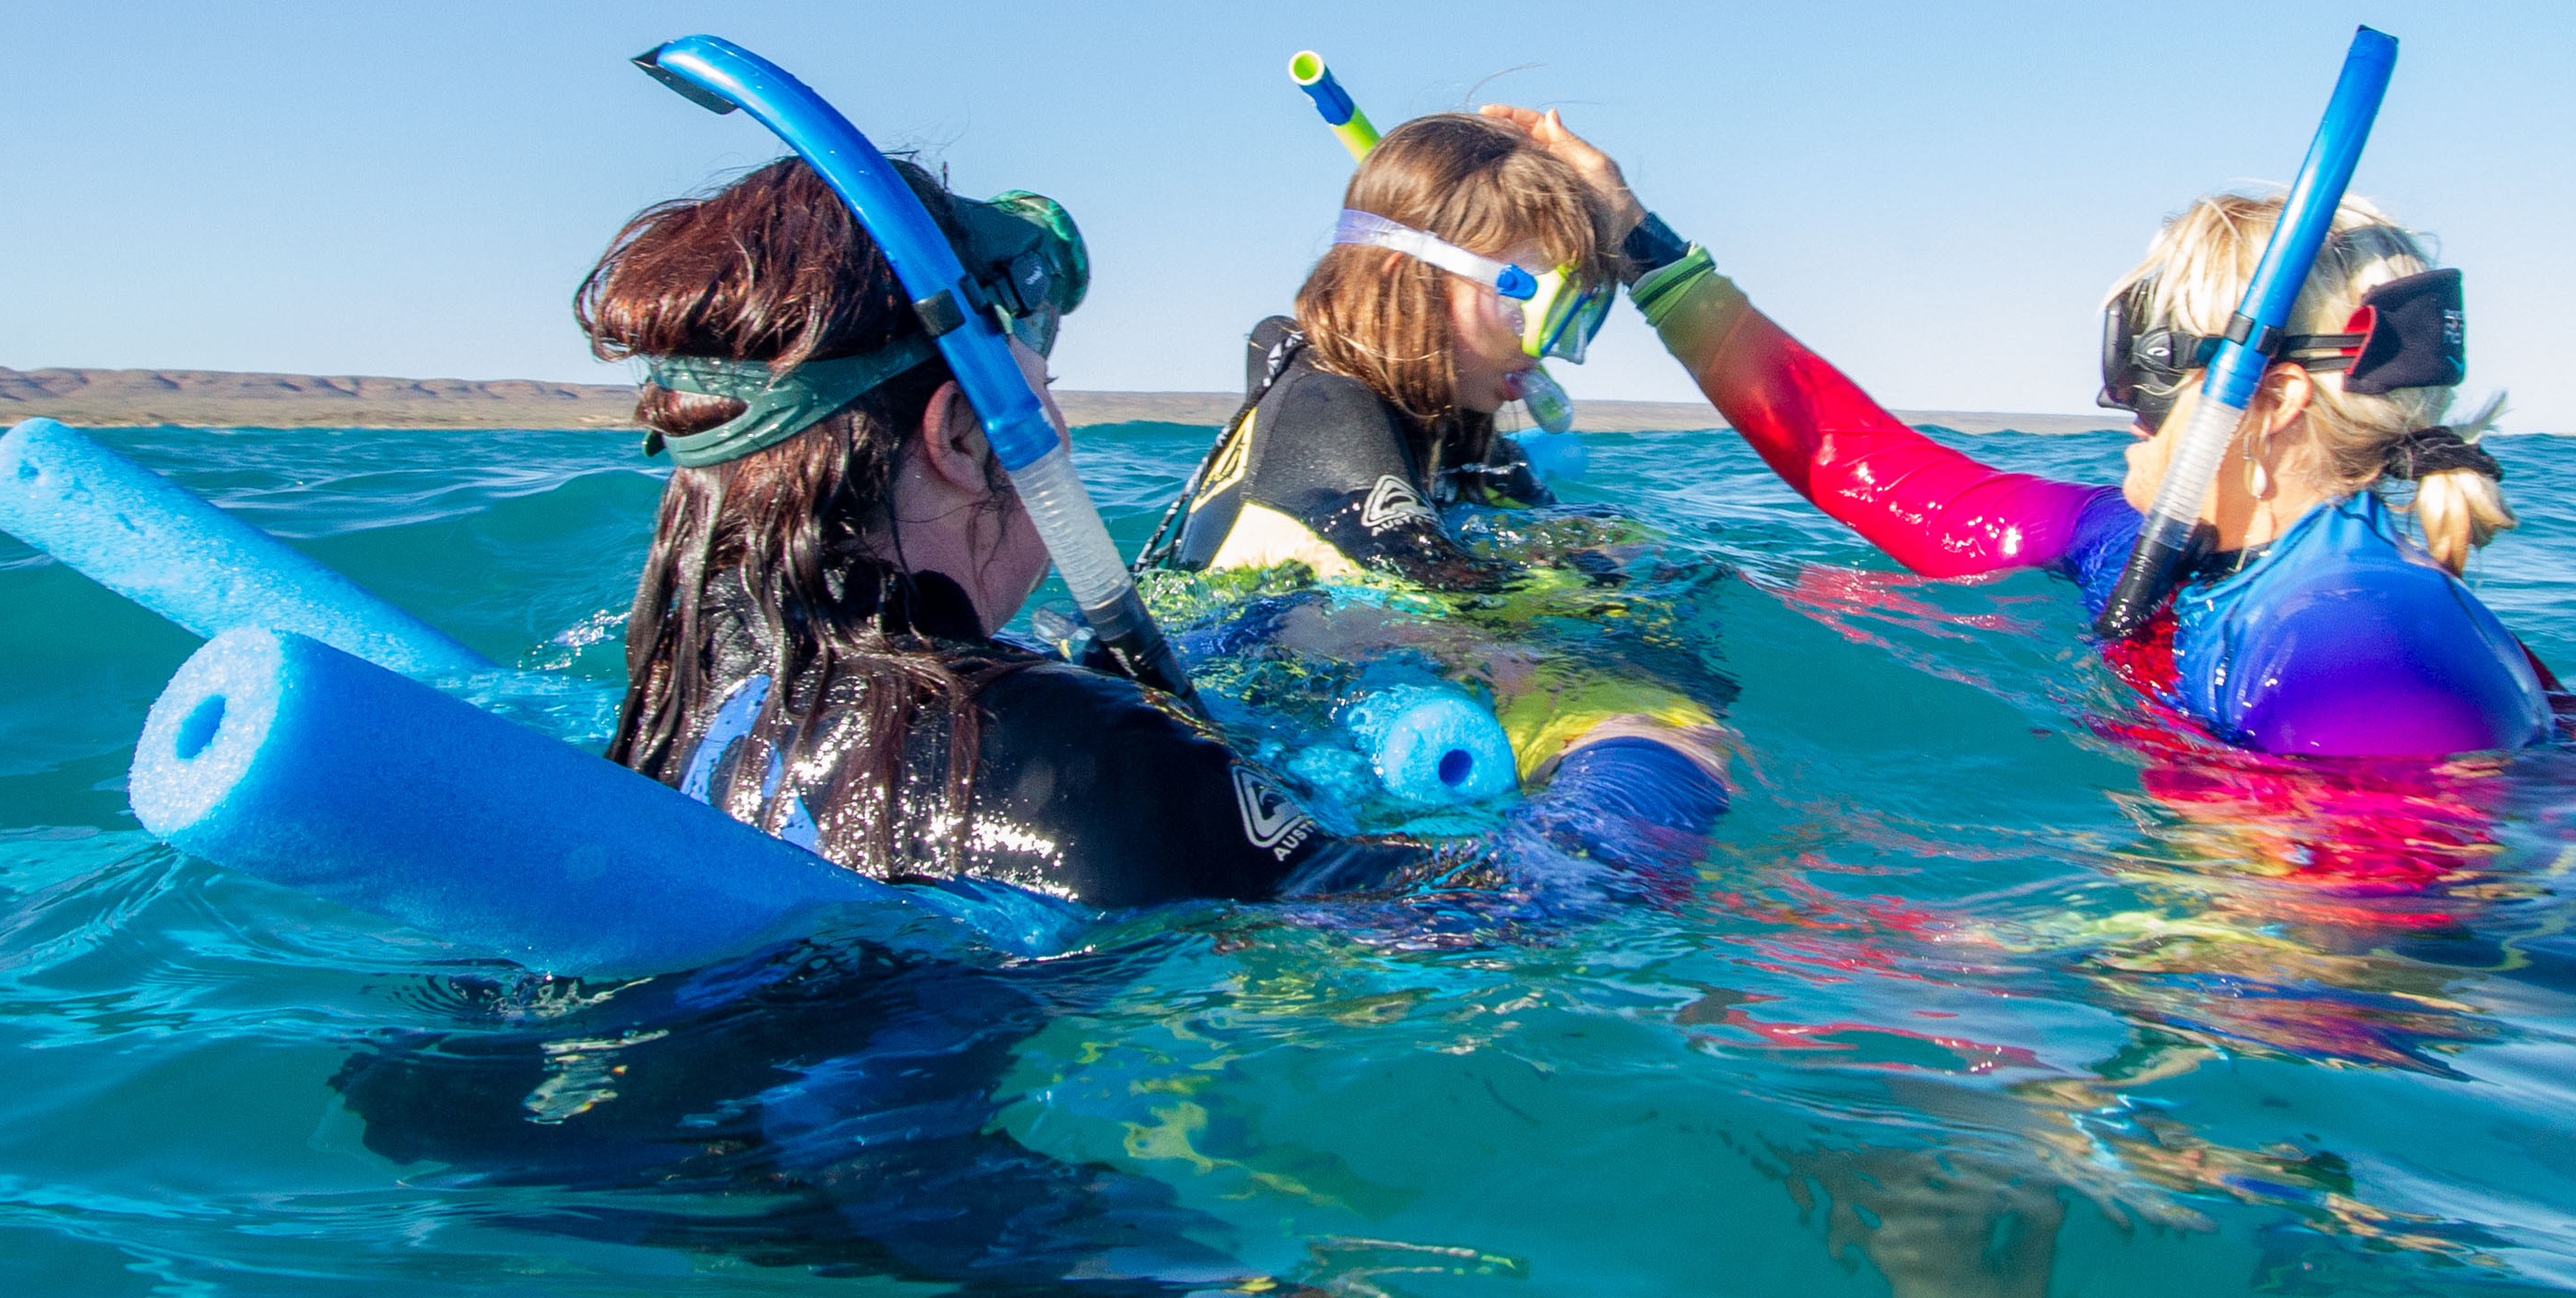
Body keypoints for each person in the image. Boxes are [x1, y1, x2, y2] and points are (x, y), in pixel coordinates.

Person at [574, 152, 1725, 912]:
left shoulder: (686, 712)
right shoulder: (1067, 755)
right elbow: (1495, 929)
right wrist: (1640, 764)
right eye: (1045, 379)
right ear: (967, 441)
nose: (1061, 419)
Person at [1479, 108, 2576, 757]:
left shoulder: (2365, 654)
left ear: (2277, 399)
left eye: (2146, 367)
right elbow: (1866, 467)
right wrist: (1638, 241)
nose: (2117, 405)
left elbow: (2348, 984)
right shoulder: (2155, 556)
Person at [1149, 113, 1609, 594]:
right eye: (1525, 305)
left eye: (1573, 312)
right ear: (1405, 285)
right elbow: (1466, 621)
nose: (1549, 345)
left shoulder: (1455, 434)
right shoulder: (1329, 413)